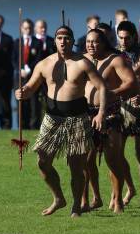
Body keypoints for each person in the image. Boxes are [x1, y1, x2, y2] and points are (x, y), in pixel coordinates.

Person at [15, 25, 107, 218]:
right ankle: (58, 198)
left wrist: (100, 114)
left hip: (77, 118)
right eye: (59, 38)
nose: (63, 41)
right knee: (42, 160)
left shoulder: (83, 63)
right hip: (52, 118)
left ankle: (76, 205)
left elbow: (102, 87)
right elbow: (31, 87)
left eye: (67, 38)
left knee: (76, 165)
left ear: (73, 41)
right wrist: (22, 92)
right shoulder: (44, 64)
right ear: (54, 41)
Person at [82, 29, 136, 214]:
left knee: (113, 159)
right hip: (85, 113)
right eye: (88, 41)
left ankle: (118, 198)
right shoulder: (81, 60)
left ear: (103, 43)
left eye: (95, 42)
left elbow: (131, 82)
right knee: (85, 160)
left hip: (110, 114)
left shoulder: (115, 60)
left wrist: (111, 93)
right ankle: (94, 198)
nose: (90, 45)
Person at [117, 20, 140, 205]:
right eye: (120, 37)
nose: (123, 41)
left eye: (127, 38)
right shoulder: (115, 54)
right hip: (119, 106)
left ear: (134, 36)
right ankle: (130, 188)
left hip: (138, 108)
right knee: (116, 153)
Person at [13, 19, 43, 129]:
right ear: (21, 29)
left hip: (33, 76)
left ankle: (34, 126)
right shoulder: (17, 42)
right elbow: (13, 59)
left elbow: (39, 59)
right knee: (21, 103)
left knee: (34, 103)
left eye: (29, 28)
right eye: (25, 28)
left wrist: (29, 69)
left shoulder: (38, 42)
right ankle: (22, 126)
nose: (28, 30)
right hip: (19, 77)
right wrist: (20, 69)